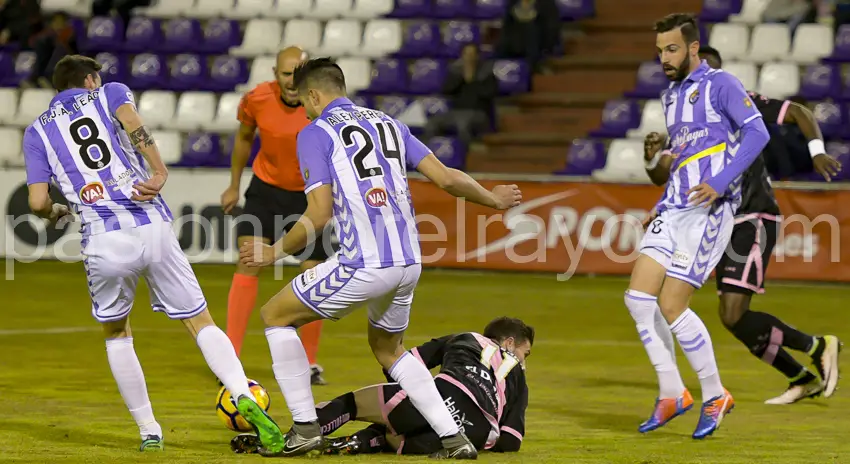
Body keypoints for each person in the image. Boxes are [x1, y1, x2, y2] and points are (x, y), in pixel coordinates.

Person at [238, 57, 523, 458]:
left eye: (304, 100)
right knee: (389, 349)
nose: (303, 108)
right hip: (408, 263)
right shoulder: (390, 124)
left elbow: (318, 213)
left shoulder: (315, 132)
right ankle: (453, 438)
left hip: (365, 264)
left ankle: (305, 428)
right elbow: (446, 177)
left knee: (275, 315)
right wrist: (492, 198)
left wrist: (273, 251)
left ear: (315, 95)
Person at [21, 55, 285, 452]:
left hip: (104, 238)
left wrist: (59, 211)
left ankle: (149, 431)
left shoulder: (36, 132)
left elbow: (38, 200)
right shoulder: (108, 93)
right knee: (201, 322)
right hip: (151, 223)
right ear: (91, 79)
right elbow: (132, 122)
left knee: (116, 334)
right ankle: (239, 389)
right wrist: (158, 171)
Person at [643, 45, 843, 405]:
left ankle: (818, 346)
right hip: (716, 224)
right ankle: (800, 376)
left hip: (752, 216)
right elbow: (663, 174)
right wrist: (652, 158)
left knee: (733, 312)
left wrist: (815, 152)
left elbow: (798, 111)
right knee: (731, 317)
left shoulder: (738, 100)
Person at [626, 13, 770, 439]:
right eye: (659, 51)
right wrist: (661, 200)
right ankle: (672, 393)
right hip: (674, 208)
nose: (664, 58)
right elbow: (687, 158)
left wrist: (721, 182)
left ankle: (714, 394)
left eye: (671, 49)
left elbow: (757, 134)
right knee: (638, 299)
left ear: (692, 48)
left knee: (671, 305)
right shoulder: (671, 96)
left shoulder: (721, 83)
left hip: (710, 211)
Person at [231, 317, 532, 456]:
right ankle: (358, 443)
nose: (524, 361)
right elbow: (511, 441)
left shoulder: (464, 336)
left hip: (442, 396)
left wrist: (392, 401)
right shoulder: (519, 378)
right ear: (508, 342)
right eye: (525, 353)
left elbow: (401, 364)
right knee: (393, 433)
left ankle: (291, 439)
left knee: (354, 405)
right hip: (471, 434)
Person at [220, 46, 328, 385]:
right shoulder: (256, 99)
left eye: (298, 72)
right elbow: (243, 138)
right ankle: (229, 361)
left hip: (308, 198)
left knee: (313, 276)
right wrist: (234, 185)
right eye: (285, 73)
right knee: (249, 262)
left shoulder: (323, 104)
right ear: (274, 73)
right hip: (264, 193)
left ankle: (309, 363)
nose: (292, 80)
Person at [422, 44, 497, 146]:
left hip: (479, 114)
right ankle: (430, 155)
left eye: (472, 54)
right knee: (432, 123)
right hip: (455, 112)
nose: (469, 57)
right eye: (466, 54)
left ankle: (465, 155)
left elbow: (489, 94)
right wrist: (460, 78)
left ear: (478, 56)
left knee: (463, 124)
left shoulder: (487, 73)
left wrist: (472, 80)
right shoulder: (456, 72)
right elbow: (446, 91)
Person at [26, 11, 77, 89]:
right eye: (55, 21)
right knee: (43, 47)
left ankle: (49, 78)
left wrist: (56, 34)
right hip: (50, 57)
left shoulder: (69, 31)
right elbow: (33, 41)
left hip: (67, 57)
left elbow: (67, 45)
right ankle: (36, 77)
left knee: (59, 49)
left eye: (60, 21)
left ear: (65, 23)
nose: (57, 23)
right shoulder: (48, 32)